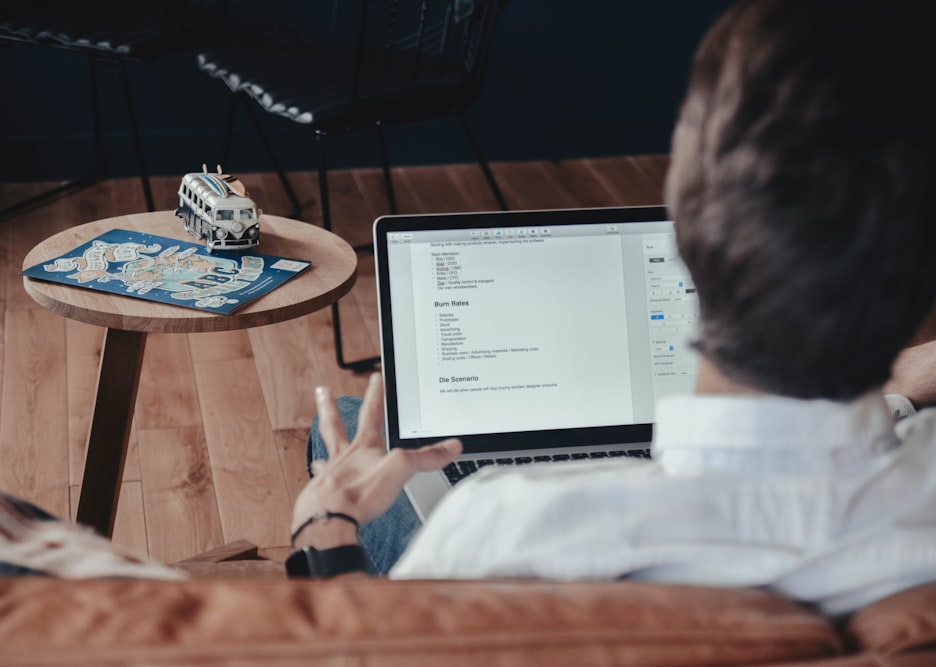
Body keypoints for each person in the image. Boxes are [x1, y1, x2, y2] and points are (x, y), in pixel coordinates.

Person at [288, 0, 936, 619]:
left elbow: (378, 646)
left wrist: (329, 529)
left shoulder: (504, 527)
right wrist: (896, 400)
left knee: (345, 426)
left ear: (680, 231)